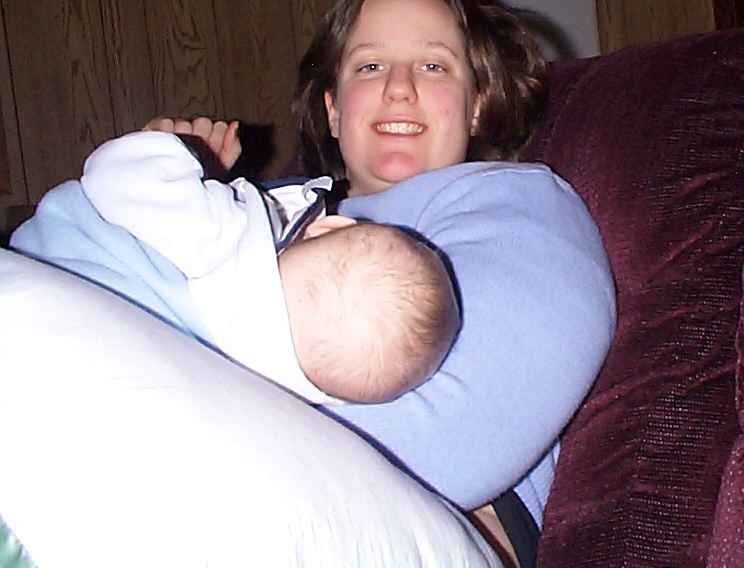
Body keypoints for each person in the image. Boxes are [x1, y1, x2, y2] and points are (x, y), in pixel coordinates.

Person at [257, 0, 616, 568]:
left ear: (476, 105)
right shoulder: (258, 216)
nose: (399, 88)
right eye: (370, 66)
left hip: (425, 528)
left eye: (432, 66)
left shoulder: (522, 204)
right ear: (333, 110)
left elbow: (458, 436)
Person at [11, 125, 461, 406]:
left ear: (329, 226)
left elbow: (112, 173)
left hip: (55, 258)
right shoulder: (269, 393)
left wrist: (181, 153)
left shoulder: (217, 236)